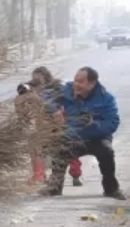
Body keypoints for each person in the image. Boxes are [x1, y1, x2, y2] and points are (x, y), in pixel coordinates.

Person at [40, 66, 125, 200]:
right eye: (75, 80)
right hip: (72, 137)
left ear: (92, 83)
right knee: (59, 150)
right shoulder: (66, 91)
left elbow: (113, 123)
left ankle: (111, 189)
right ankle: (54, 187)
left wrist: (93, 126)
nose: (76, 84)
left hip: (97, 139)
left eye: (80, 81)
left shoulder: (107, 98)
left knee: (107, 152)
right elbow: (44, 96)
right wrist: (54, 109)